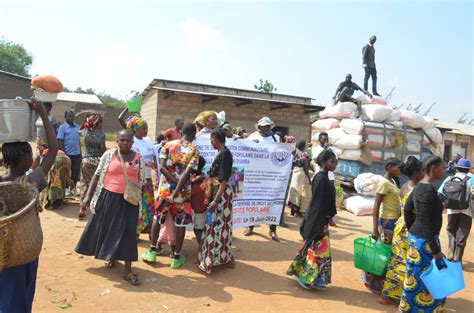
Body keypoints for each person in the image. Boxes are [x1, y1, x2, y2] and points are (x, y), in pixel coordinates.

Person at [0, 98, 58, 313]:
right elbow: (53, 150)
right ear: (24, 159)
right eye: (29, 153)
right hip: (22, 251)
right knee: (17, 300)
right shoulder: (30, 182)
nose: (33, 157)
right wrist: (43, 114)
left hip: (1, 252)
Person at [76, 129, 145, 286]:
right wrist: (87, 197)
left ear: (132, 142)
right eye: (122, 140)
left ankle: (128, 269)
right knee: (107, 228)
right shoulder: (108, 155)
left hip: (129, 200)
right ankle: (111, 255)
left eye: (128, 140)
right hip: (108, 197)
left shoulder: (138, 158)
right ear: (117, 141)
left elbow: (143, 180)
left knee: (128, 232)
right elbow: (97, 175)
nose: (125, 143)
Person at [141, 123, 200, 269]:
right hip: (182, 193)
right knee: (180, 224)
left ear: (181, 132)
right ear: (193, 135)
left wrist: (172, 185)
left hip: (164, 191)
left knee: (158, 218)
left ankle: (152, 251)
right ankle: (176, 257)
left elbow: (162, 167)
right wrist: (178, 188)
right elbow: (187, 174)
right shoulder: (194, 151)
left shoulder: (167, 146)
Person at [399, 156, 446, 312]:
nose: (444, 171)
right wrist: (436, 250)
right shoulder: (429, 191)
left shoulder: (419, 186)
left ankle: (407, 308)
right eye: (442, 168)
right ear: (433, 168)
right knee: (429, 280)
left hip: (416, 239)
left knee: (414, 277)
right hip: (426, 241)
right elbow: (426, 222)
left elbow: (407, 209)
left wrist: (413, 228)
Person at [287, 149, 338, 290]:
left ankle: (315, 278)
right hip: (318, 220)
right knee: (314, 251)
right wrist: (325, 218)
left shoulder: (325, 177)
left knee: (319, 251)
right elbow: (319, 203)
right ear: (323, 162)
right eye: (332, 162)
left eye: (336, 162)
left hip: (322, 220)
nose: (335, 165)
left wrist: (329, 218)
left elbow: (328, 200)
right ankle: (304, 276)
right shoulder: (321, 178)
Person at [379, 156, 423, 305]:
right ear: (416, 172)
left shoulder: (404, 186)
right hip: (408, 228)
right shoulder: (414, 190)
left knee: (396, 260)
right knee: (407, 262)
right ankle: (405, 296)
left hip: (400, 226)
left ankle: (388, 294)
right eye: (422, 171)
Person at [362, 157, 402, 293]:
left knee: (384, 252)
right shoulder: (384, 183)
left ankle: (374, 280)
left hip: (393, 221)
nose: (400, 170)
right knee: (382, 253)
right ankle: (372, 280)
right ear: (390, 167)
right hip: (387, 221)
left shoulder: (392, 181)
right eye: (398, 167)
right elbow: (376, 206)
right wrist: (375, 229)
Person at [198, 128, 235, 273]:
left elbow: (224, 180)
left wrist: (215, 201)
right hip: (218, 193)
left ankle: (215, 259)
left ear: (215, 139)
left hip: (222, 196)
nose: (211, 143)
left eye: (211, 140)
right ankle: (214, 258)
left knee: (218, 226)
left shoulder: (225, 154)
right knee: (215, 226)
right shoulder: (222, 153)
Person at [245, 116, 281, 241]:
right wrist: (251, 145)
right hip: (255, 175)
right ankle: (250, 226)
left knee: (272, 202)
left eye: (268, 126)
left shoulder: (275, 138)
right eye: (263, 126)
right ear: (259, 127)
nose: (266, 128)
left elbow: (280, 152)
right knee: (254, 200)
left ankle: (272, 230)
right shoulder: (252, 137)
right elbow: (245, 150)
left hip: (271, 175)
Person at [119, 113, 156, 234]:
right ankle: (135, 231)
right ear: (135, 129)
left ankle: (147, 229)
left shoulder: (147, 140)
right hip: (136, 179)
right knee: (137, 204)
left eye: (146, 127)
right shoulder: (130, 142)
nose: (146, 130)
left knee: (148, 204)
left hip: (148, 178)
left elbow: (153, 154)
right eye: (143, 128)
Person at [438, 158, 472, 262]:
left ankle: (450, 253)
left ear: (457, 168)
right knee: (462, 234)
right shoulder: (472, 178)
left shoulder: (449, 179)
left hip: (451, 211)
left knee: (451, 230)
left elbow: (440, 192)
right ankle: (457, 258)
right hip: (467, 211)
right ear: (467, 170)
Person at [79, 113, 106, 219]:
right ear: (97, 123)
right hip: (98, 162)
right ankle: (96, 209)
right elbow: (102, 149)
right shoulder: (101, 134)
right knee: (97, 185)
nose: (102, 124)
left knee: (84, 184)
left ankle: (82, 208)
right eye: (101, 122)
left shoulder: (84, 132)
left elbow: (79, 130)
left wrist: (86, 120)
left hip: (86, 161)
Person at [57, 110, 82, 196]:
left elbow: (79, 141)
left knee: (75, 172)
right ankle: (67, 188)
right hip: (68, 154)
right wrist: (65, 153)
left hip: (77, 154)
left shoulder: (77, 127)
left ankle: (73, 188)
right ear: (66, 117)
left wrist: (80, 153)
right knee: (67, 172)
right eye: (70, 116)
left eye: (73, 116)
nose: (72, 118)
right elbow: (60, 141)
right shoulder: (62, 128)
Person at [287, 140, 312, 217]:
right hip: (300, 174)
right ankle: (297, 212)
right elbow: (305, 167)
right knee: (299, 193)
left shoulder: (293, 152)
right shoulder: (304, 154)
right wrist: (309, 178)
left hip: (294, 173)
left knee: (293, 192)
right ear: (303, 146)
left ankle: (292, 211)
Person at [191, 156, 207, 246]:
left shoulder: (198, 181)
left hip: (200, 210)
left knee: (198, 230)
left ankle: (203, 250)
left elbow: (189, 193)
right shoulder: (202, 177)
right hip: (201, 209)